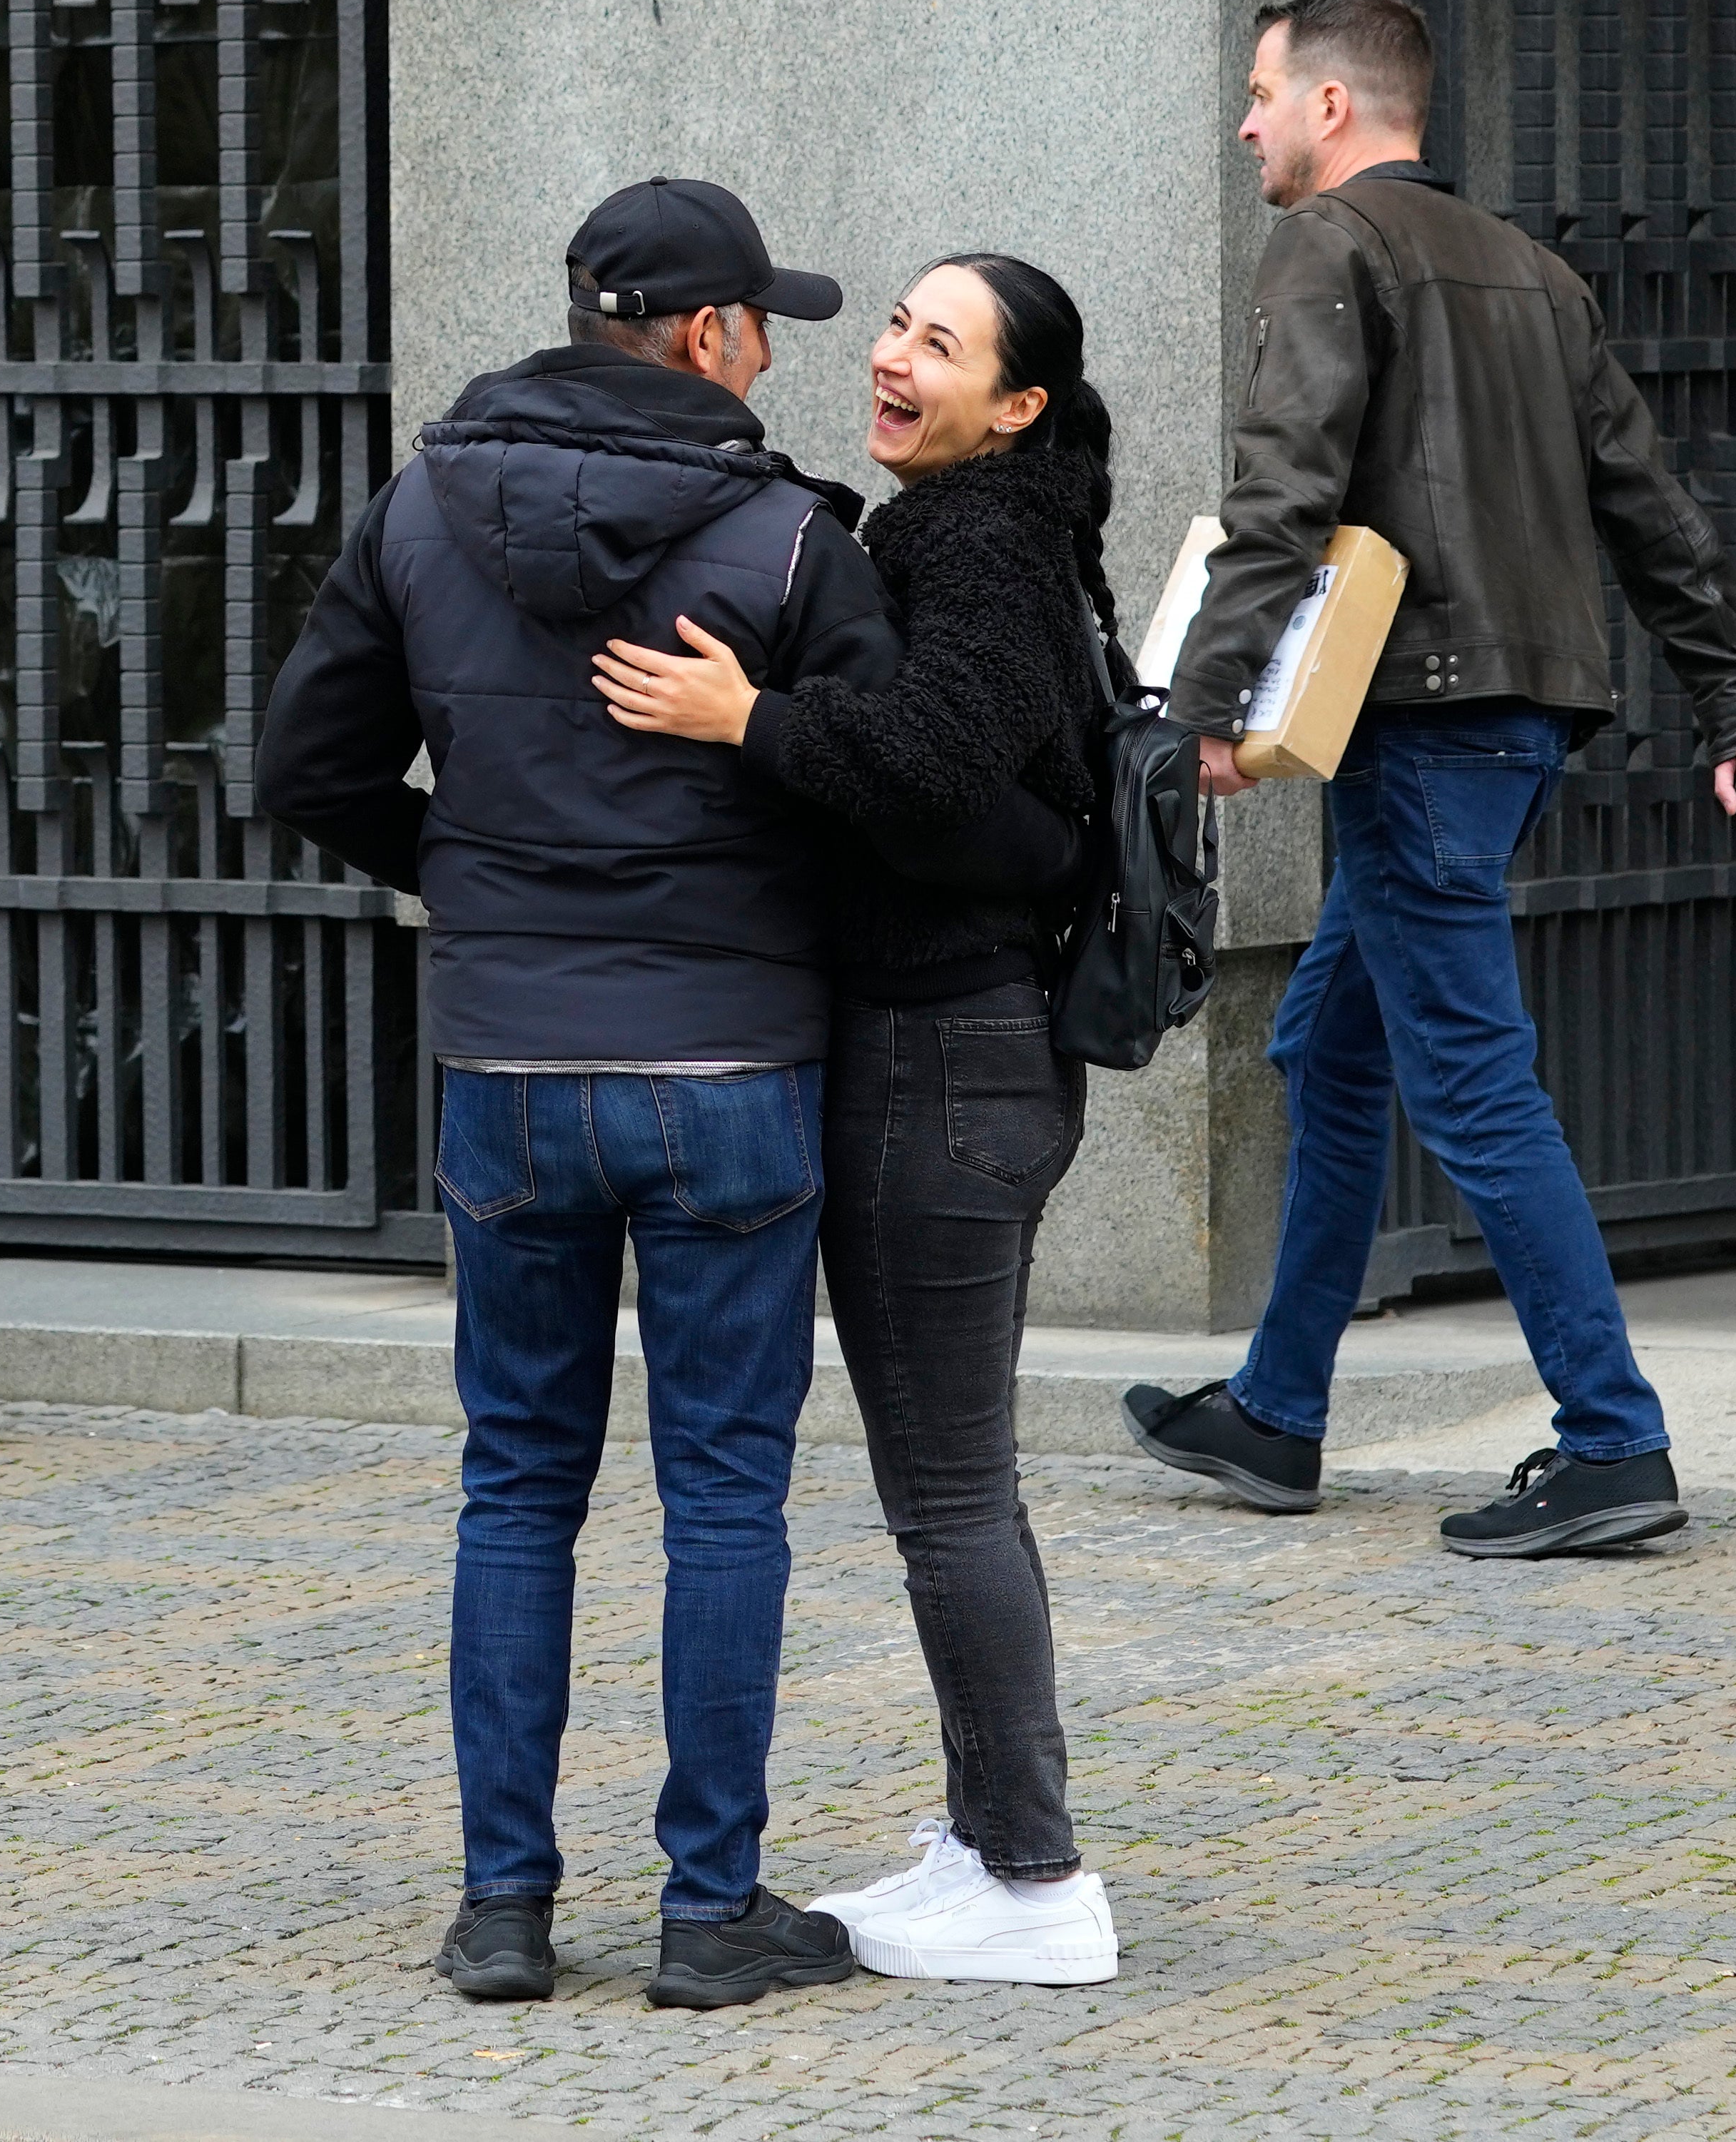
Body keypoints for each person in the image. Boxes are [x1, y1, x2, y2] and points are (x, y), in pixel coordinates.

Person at [263, 178, 895, 2014]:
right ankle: (709, 1915)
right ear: (701, 336)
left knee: (515, 1485)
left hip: (507, 1066)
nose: (774, 349)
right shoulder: (786, 542)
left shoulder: (418, 509)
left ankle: (502, 1909)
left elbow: (302, 762)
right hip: (730, 1067)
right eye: (762, 319)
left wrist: (464, 868)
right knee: (724, 1494)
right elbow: (874, 784)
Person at [1122, 0, 1736, 1560]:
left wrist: (1200, 705)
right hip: (1512, 712)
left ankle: (1611, 1439)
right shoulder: (1539, 277)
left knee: (1471, 1078)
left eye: (1261, 93)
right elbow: (1654, 513)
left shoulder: (1328, 247)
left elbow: (1276, 490)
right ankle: (1277, 1412)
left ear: (1335, 109)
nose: (1246, 123)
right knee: (1330, 1049)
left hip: (1416, 716)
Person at [593, 253, 1127, 1987]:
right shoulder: (993, 525)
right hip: (962, 1054)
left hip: (940, 1062)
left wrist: (746, 715)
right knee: (948, 1483)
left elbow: (938, 763)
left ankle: (1033, 1881)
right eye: (898, 325)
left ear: (1016, 403)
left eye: (940, 345)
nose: (893, 358)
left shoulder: (980, 536)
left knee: (951, 1490)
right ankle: (991, 1838)